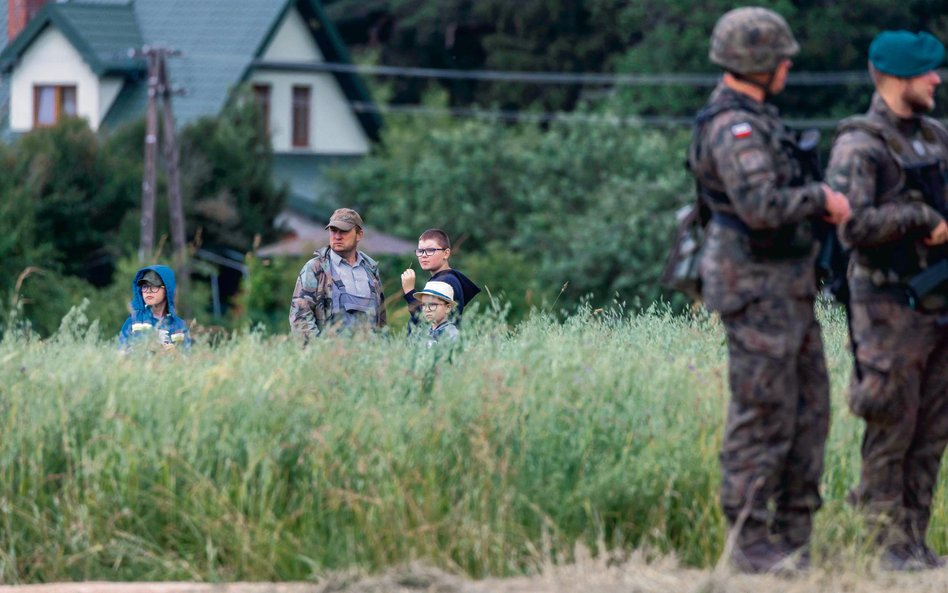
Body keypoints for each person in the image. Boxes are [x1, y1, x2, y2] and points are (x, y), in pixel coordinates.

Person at [688, 6, 851, 573]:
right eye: (780, 58)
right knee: (763, 413)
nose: (787, 67)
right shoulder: (734, 128)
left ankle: (793, 540)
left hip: (788, 288)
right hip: (756, 291)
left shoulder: (759, 119)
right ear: (757, 63)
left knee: (810, 413)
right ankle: (752, 545)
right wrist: (821, 200)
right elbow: (759, 207)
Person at [826, 30, 948, 571]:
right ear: (898, 78)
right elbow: (852, 226)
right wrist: (920, 218)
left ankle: (914, 544)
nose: (937, 80)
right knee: (891, 424)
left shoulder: (937, 136)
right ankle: (879, 548)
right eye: (928, 72)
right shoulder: (860, 144)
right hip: (887, 306)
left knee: (932, 428)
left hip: (939, 302)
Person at [289, 208, 386, 340]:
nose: (337, 236)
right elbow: (300, 318)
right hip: (330, 356)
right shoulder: (315, 269)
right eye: (333, 230)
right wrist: (320, 353)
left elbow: (381, 322)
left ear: (359, 235)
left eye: (344, 231)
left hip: (368, 358)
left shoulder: (371, 271)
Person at [401, 229, 480, 329]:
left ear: (446, 253)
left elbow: (425, 322)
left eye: (430, 250)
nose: (423, 255)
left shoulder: (445, 282)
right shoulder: (450, 278)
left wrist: (409, 292)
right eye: (420, 251)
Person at [118, 265, 191, 349]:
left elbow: (188, 359)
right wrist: (144, 348)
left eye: (154, 286)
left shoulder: (180, 325)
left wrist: (175, 354)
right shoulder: (133, 321)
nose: (148, 291)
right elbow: (120, 354)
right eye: (144, 286)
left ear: (167, 289)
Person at [416, 280, 460, 345]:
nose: (427, 309)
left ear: (448, 308)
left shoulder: (451, 335)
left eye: (432, 305)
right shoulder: (424, 332)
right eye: (423, 305)